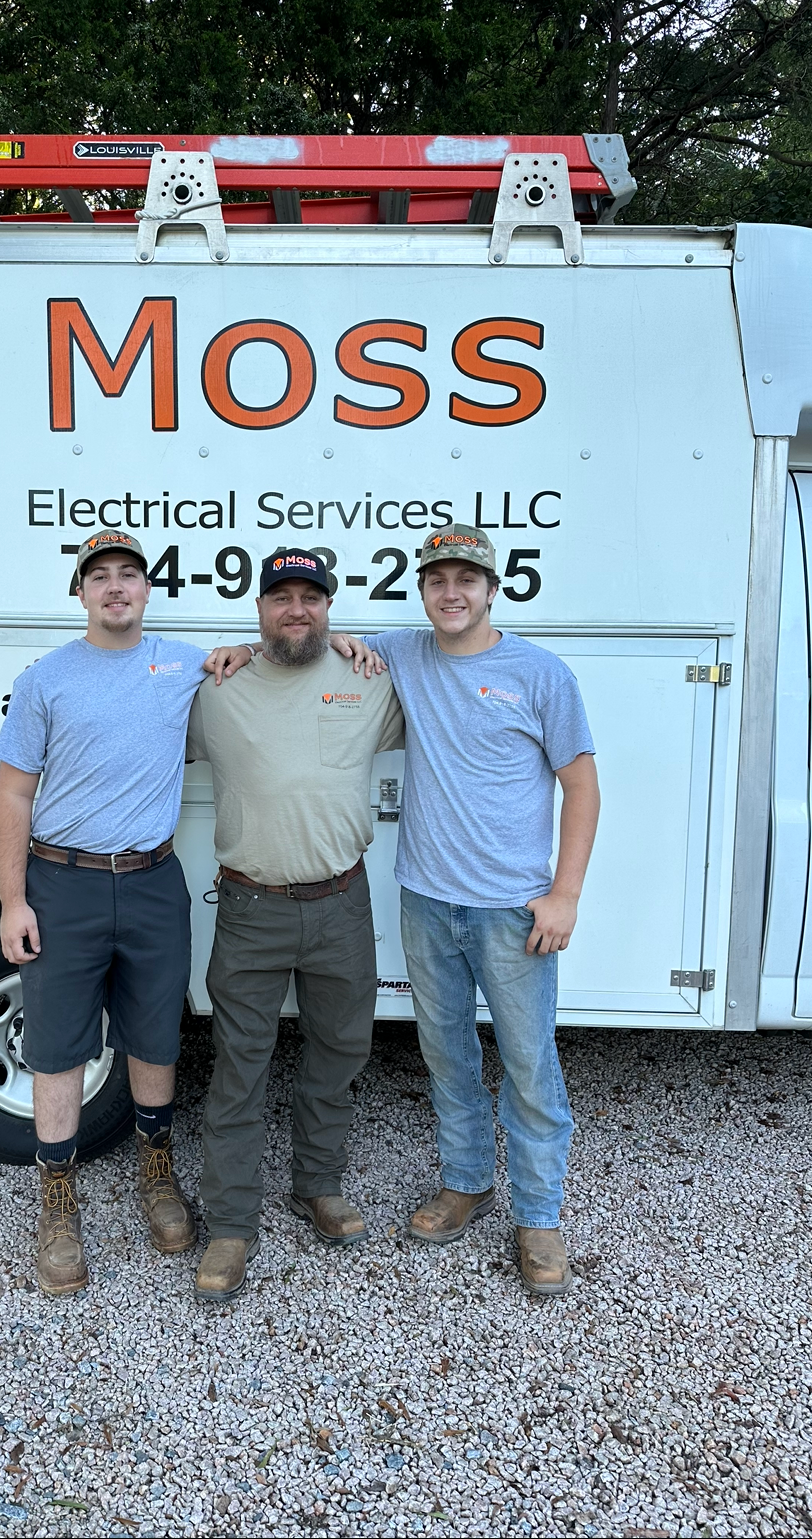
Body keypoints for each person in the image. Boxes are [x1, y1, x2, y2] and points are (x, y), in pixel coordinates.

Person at [0, 531, 379, 1298]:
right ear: (79, 593)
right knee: (60, 1046)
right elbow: (12, 794)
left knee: (154, 1033)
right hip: (62, 879)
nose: (114, 588)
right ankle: (58, 1205)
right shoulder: (46, 678)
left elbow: (270, 653)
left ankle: (158, 1173)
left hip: (151, 878)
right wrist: (11, 900)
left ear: (145, 590)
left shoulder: (186, 666)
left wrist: (330, 640)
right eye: (98, 576)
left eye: (127, 575)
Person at [349, 525, 599, 1296]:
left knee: (529, 1068)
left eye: (465, 579)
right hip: (426, 899)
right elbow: (311, 638)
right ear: (419, 590)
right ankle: (465, 1182)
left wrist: (563, 894)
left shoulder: (539, 672)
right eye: (435, 581)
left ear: (493, 588)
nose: (449, 593)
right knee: (447, 1056)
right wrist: (232, 655)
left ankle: (538, 1215)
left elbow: (581, 785)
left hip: (511, 913)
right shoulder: (405, 653)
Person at [186, 549, 405, 1303]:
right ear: (258, 609)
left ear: (328, 607)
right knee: (238, 1067)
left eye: (309, 596)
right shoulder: (216, 685)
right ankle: (229, 1224)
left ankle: (318, 1186)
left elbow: (445, 684)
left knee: (340, 1051)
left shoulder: (368, 678)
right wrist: (234, 654)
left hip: (342, 902)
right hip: (250, 908)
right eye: (280, 597)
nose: (296, 609)